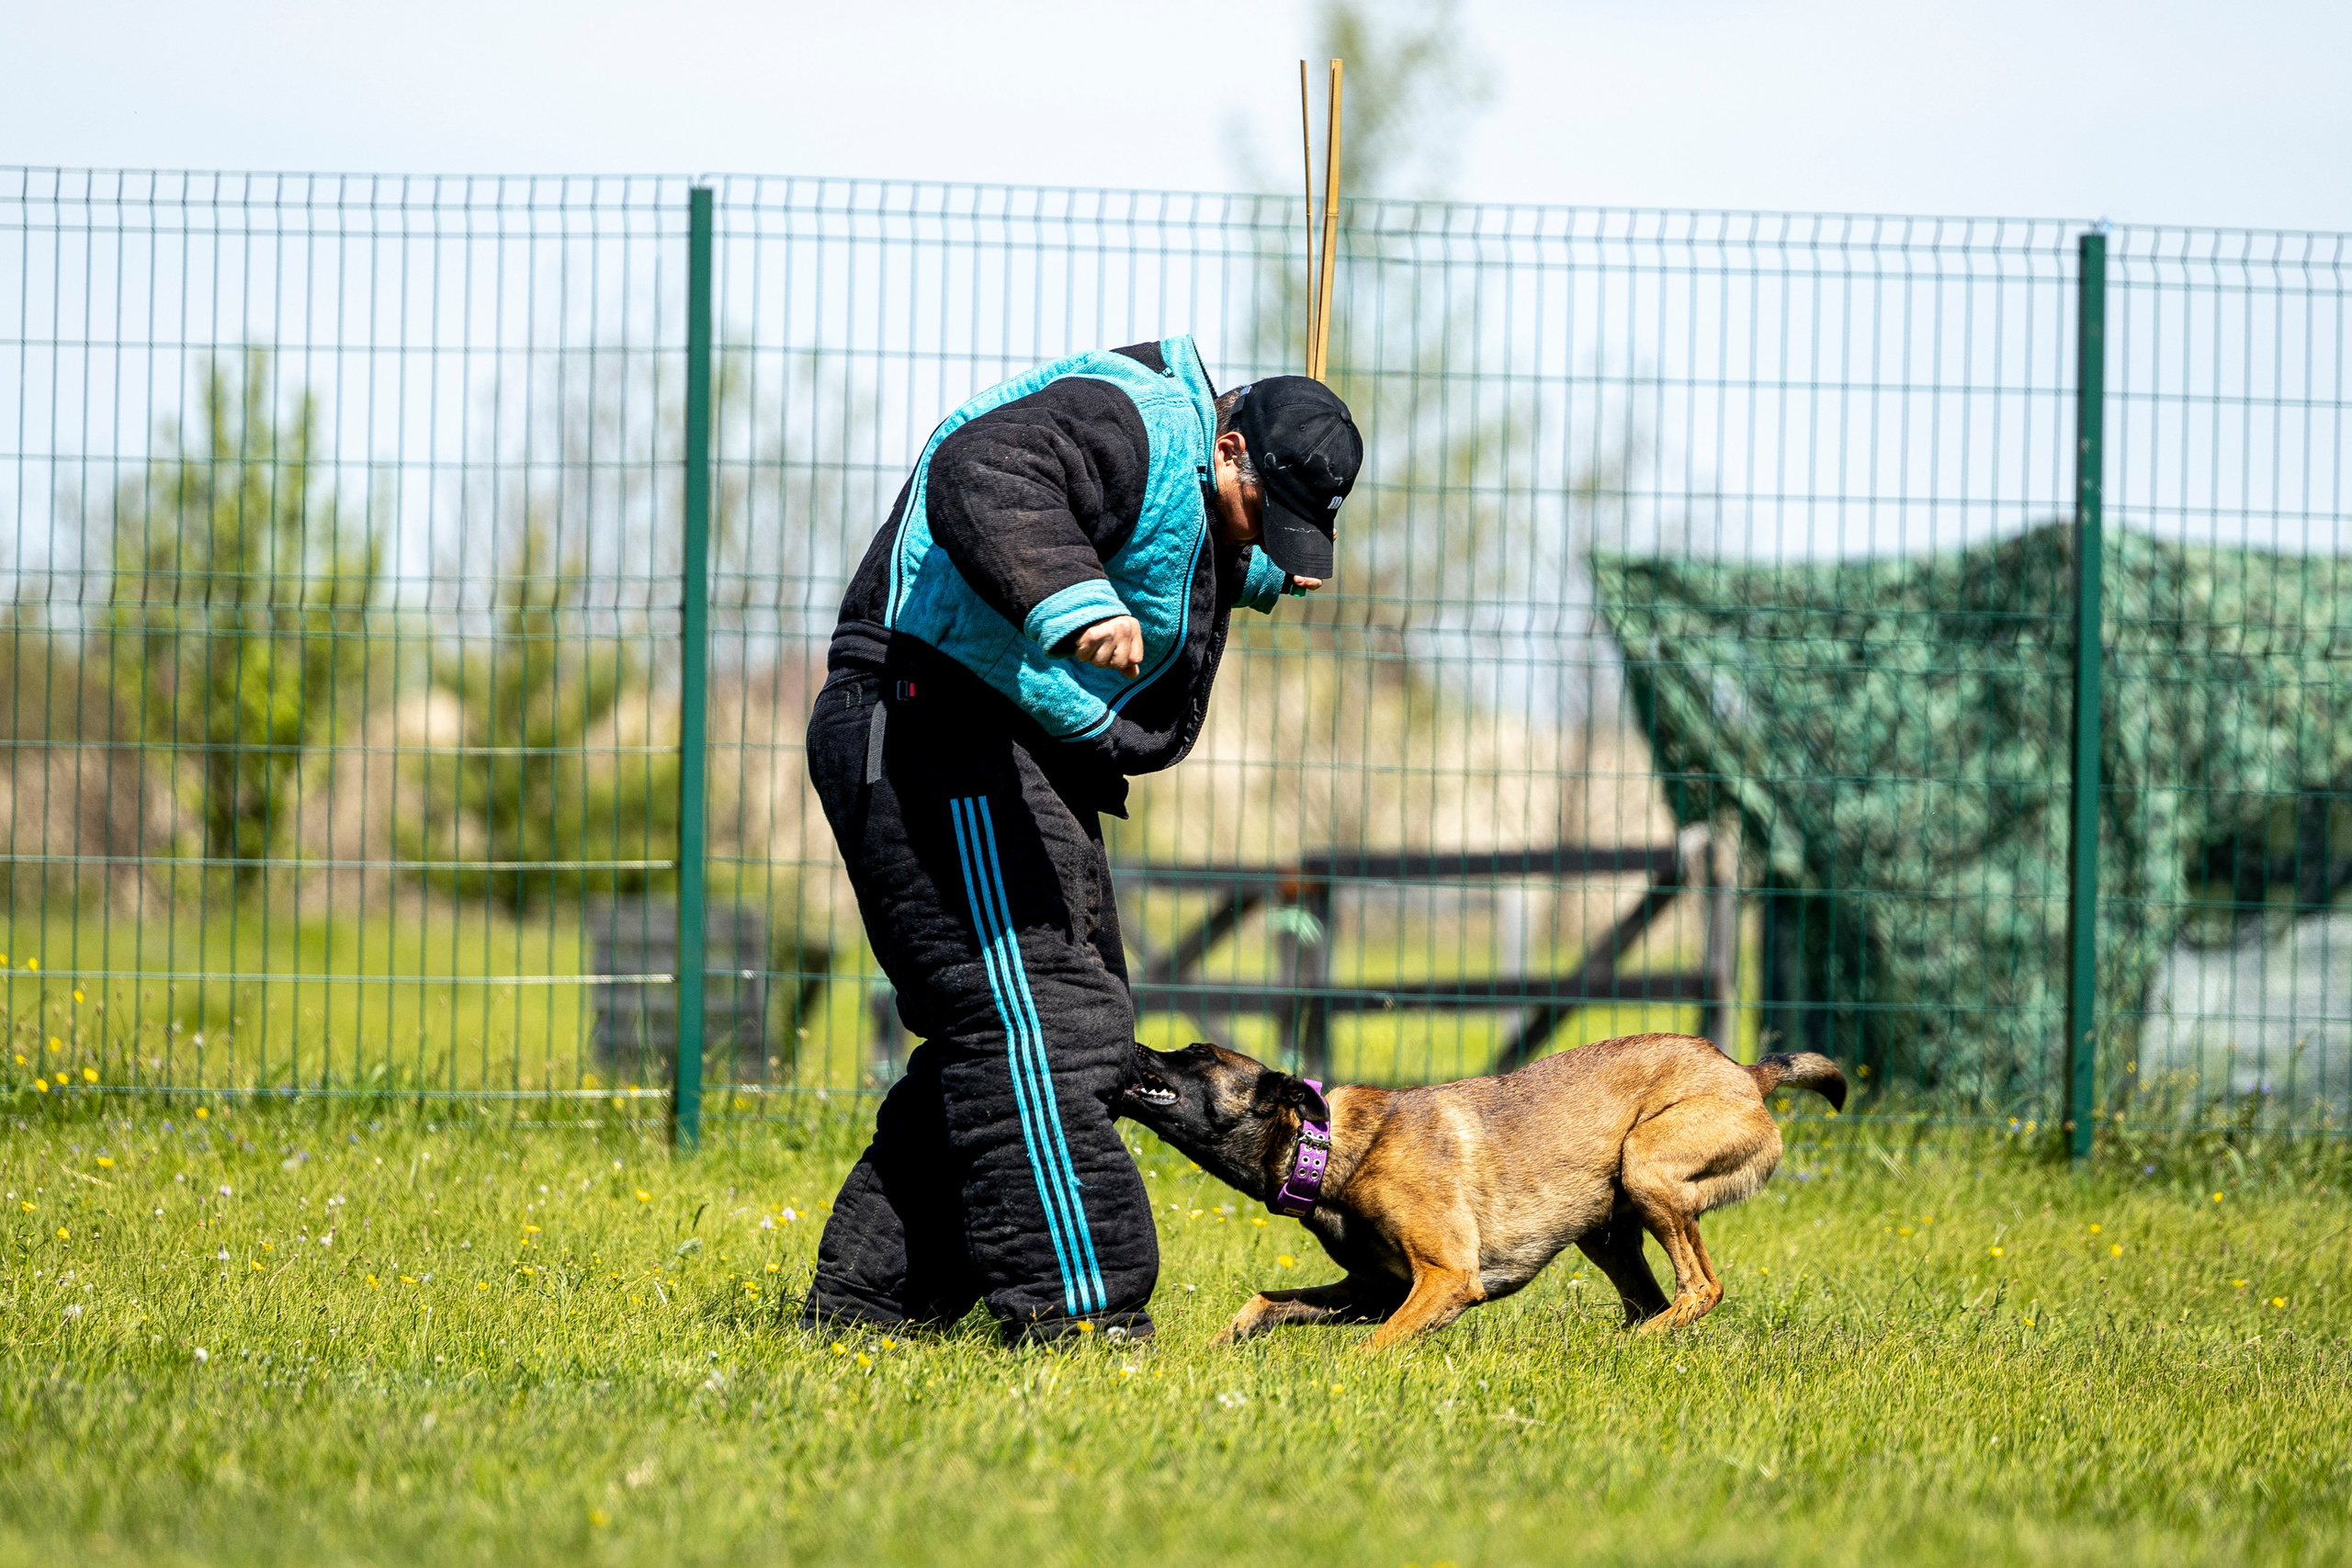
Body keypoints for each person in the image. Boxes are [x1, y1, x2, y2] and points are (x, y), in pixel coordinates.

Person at [800, 335, 1362, 1346]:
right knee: (1044, 1029)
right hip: (930, 721)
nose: (1258, 536)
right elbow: (987, 467)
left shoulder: (1190, 462)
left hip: (992, 736)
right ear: (1229, 446)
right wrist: (1070, 598)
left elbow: (1166, 543)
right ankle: (1081, 1318)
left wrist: (1253, 573)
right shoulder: (1131, 420)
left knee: (1037, 1030)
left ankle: (868, 1311)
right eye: (1259, 515)